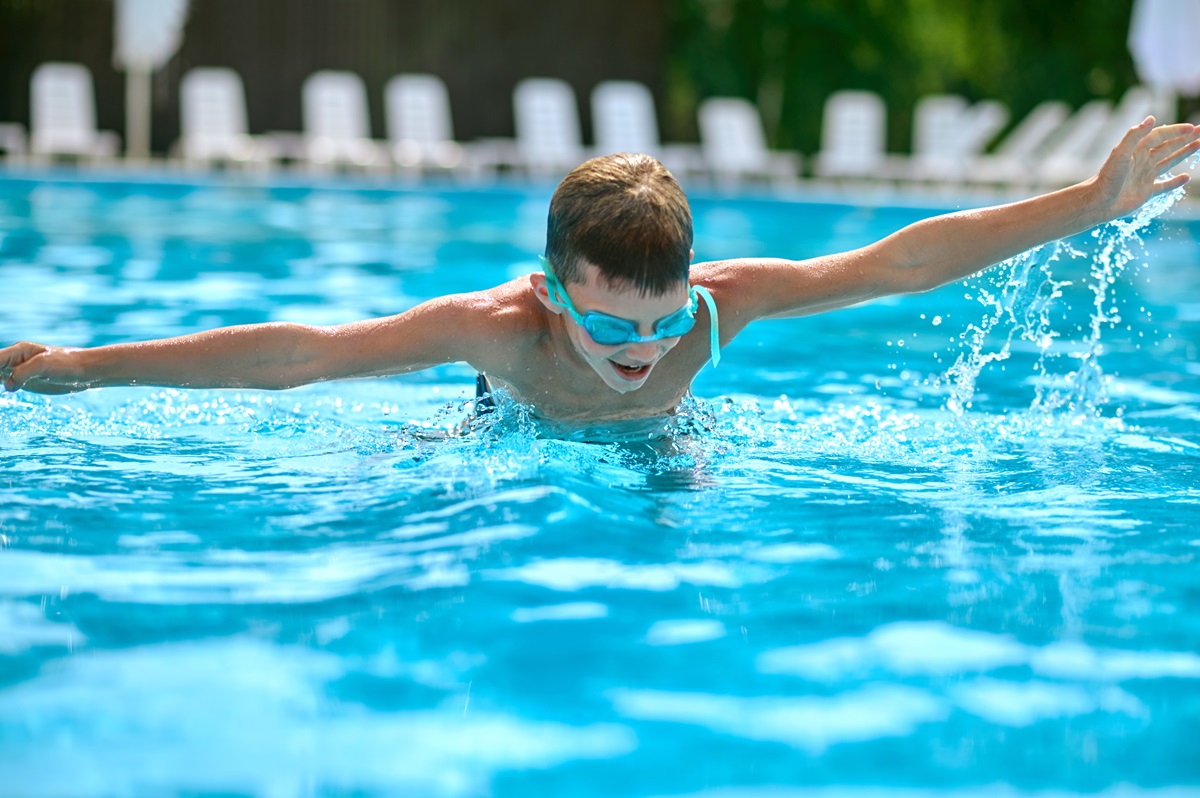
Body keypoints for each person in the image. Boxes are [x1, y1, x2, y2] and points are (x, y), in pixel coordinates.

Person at [2, 118, 1198, 422]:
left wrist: (1089, 207)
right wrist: (79, 367)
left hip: (666, 462)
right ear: (549, 289)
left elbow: (896, 264)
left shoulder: (709, 315)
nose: (642, 354)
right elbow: (299, 356)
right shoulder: (494, 330)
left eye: (658, 328)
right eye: (610, 330)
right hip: (504, 445)